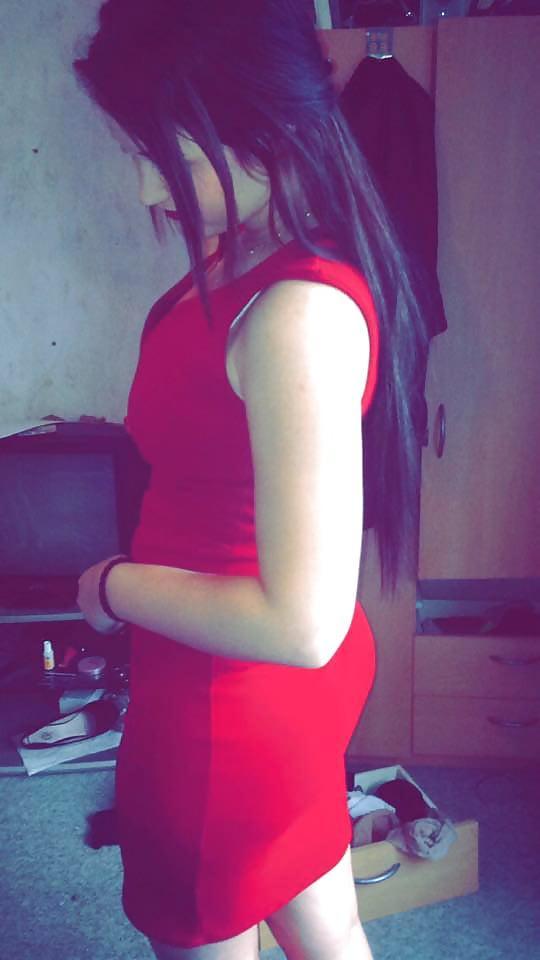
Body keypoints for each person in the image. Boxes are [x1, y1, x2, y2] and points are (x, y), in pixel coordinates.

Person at [73, 2, 431, 958]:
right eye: (139, 152)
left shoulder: (293, 314)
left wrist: (113, 586)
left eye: (170, 157)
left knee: (211, 915)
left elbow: (300, 624)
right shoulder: (249, 259)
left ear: (266, 130)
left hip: (233, 695)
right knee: (321, 912)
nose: (146, 186)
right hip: (228, 672)